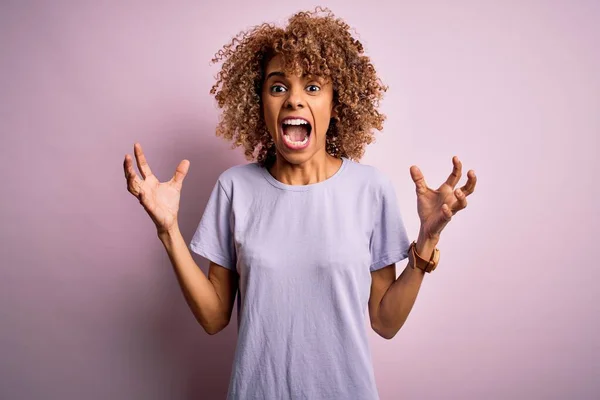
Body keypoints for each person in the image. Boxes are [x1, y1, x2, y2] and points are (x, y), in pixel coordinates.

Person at [123, 7, 477, 400]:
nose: (293, 99)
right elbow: (213, 317)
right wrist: (168, 231)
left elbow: (385, 321)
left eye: (312, 87)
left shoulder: (370, 188)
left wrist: (426, 241)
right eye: (278, 87)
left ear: (334, 102)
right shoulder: (235, 189)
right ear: (260, 103)